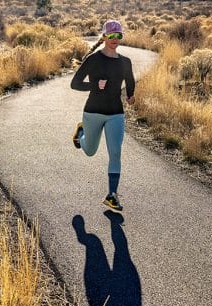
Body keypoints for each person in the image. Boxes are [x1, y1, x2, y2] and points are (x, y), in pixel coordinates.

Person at [70, 19, 135, 212]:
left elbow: (130, 81)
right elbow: (74, 83)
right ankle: (81, 133)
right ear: (105, 36)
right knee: (90, 151)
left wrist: (131, 95)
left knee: (115, 152)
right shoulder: (93, 60)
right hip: (93, 112)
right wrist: (94, 85)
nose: (115, 39)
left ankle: (111, 195)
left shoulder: (125, 62)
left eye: (119, 35)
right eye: (112, 35)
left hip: (115, 113)